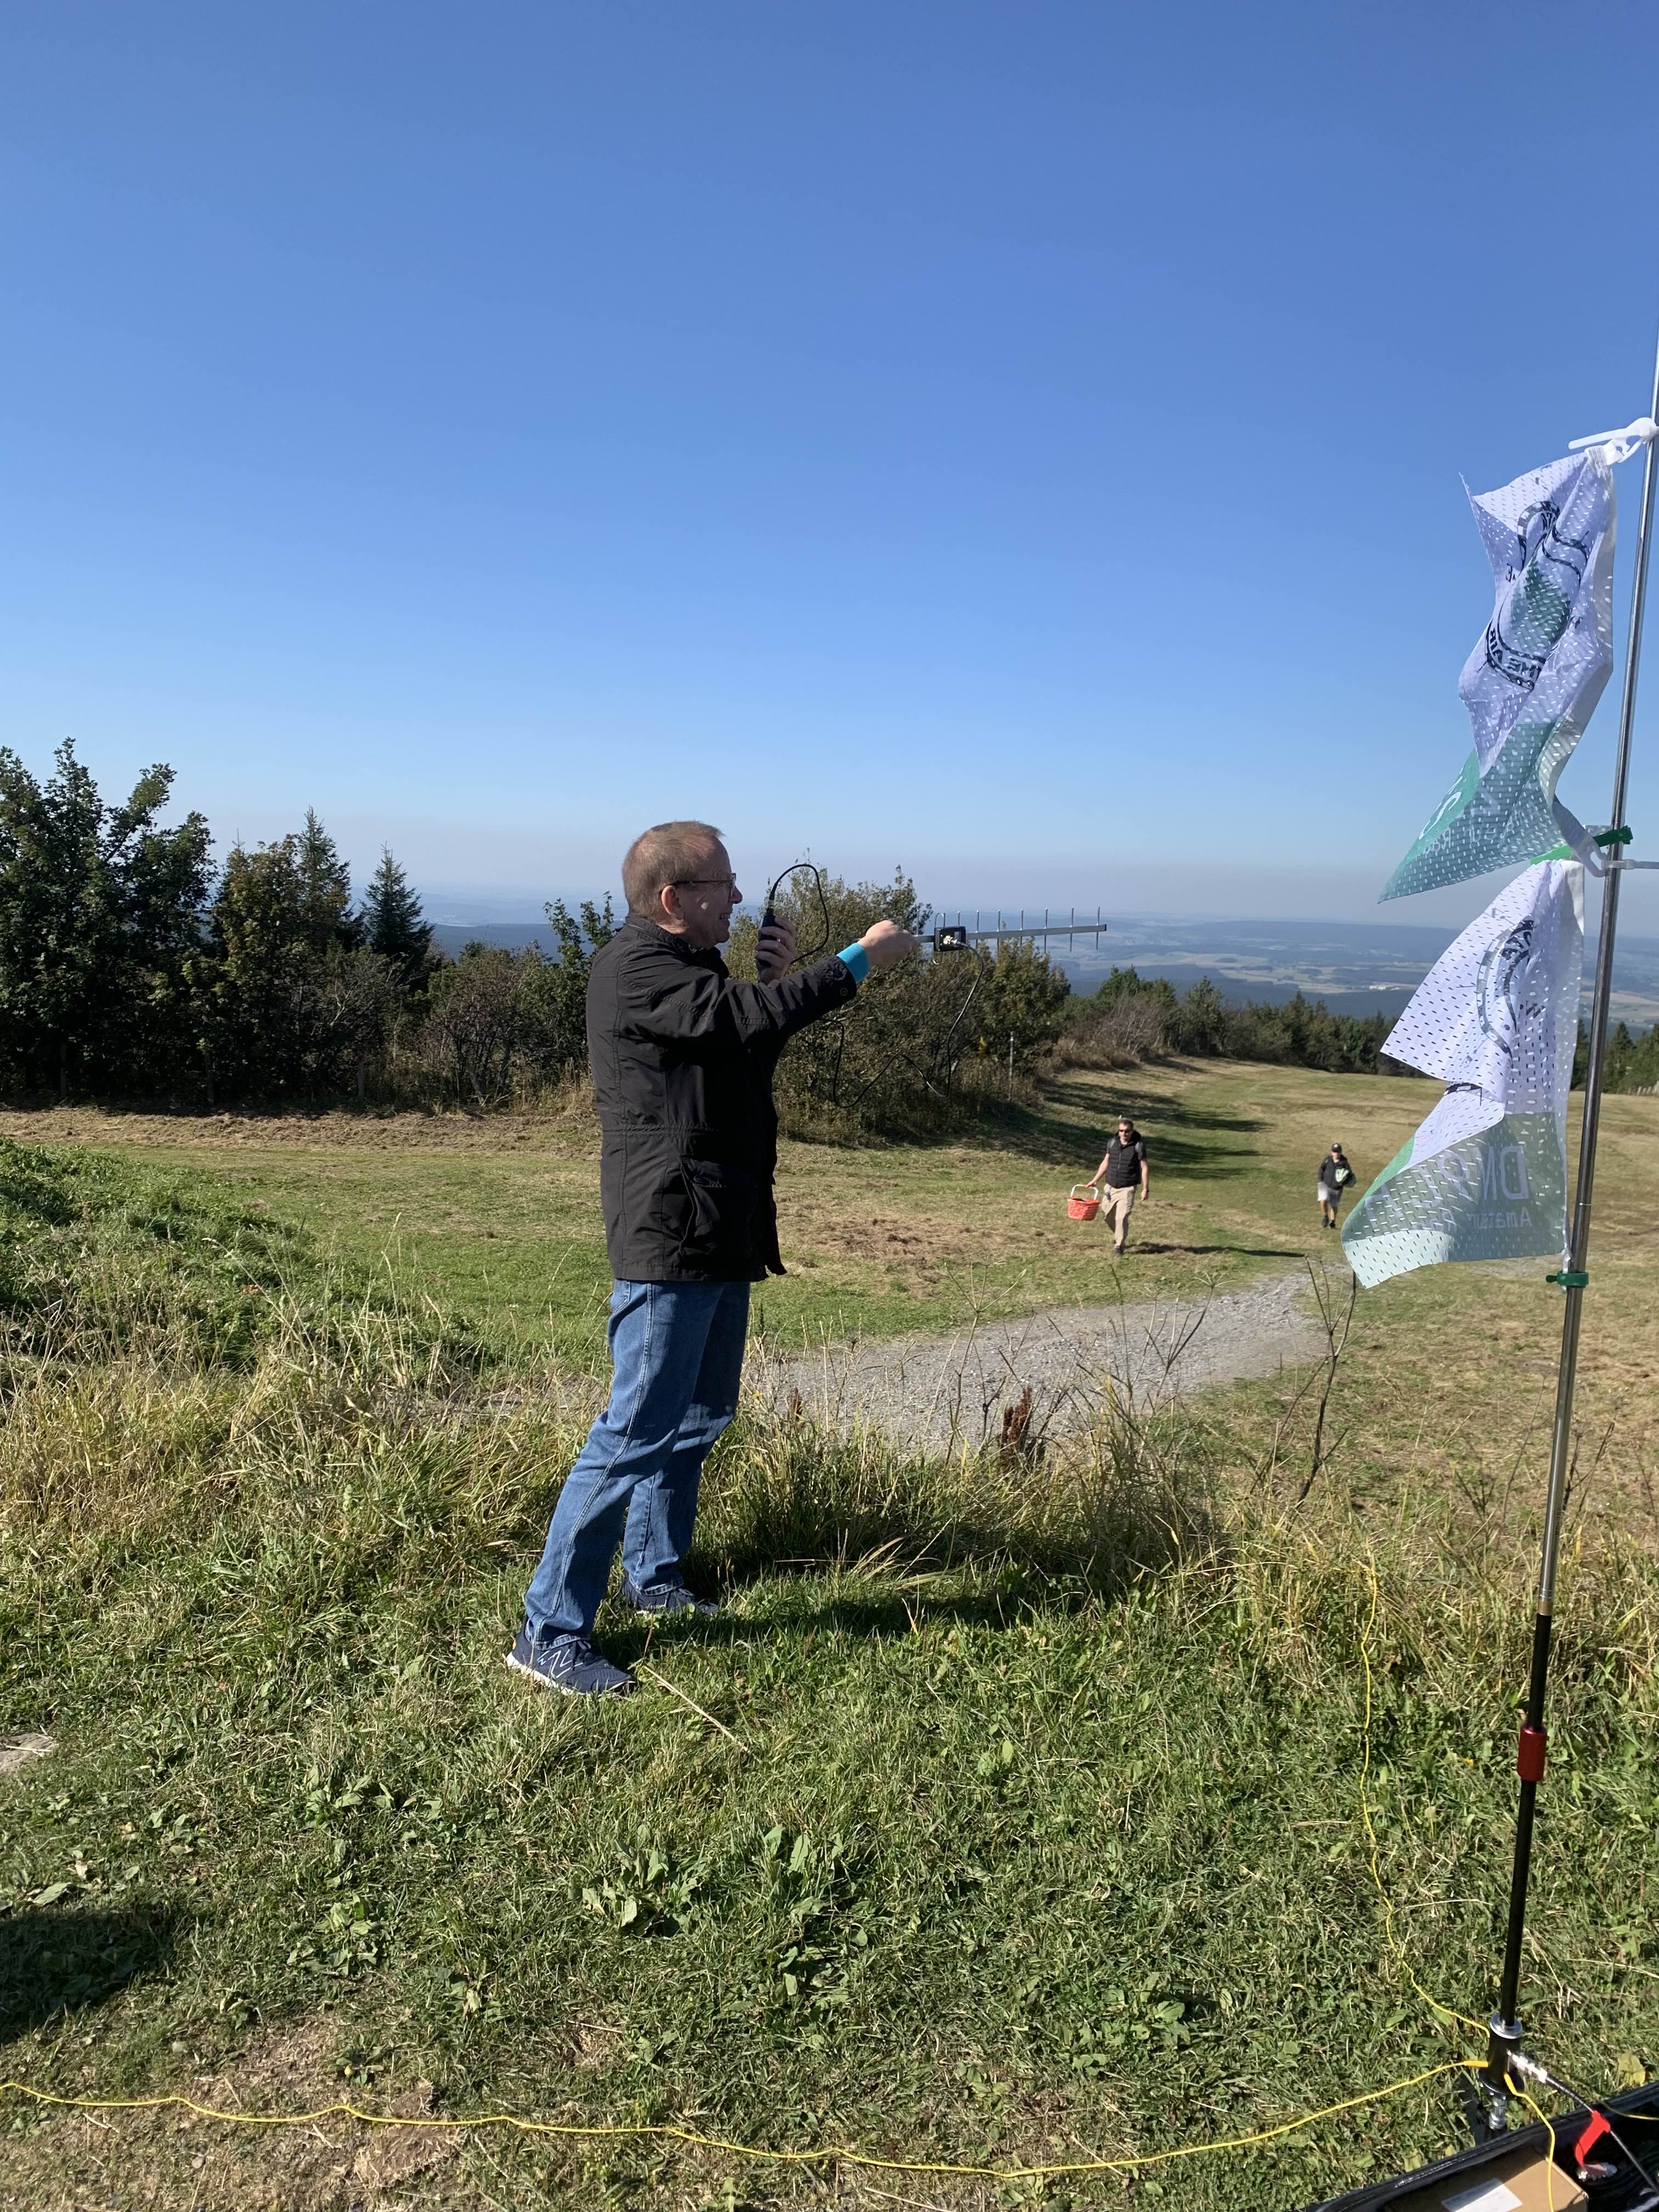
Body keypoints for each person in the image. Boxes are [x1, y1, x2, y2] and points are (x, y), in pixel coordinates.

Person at [510, 820, 917, 1697]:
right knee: (633, 1432)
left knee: (698, 1417)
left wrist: (772, 985)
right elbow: (741, 1021)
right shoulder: (637, 970)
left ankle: (654, 1577)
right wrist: (857, 961)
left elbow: (740, 1049)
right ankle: (549, 1630)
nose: (737, 897)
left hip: (716, 1226)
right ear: (673, 899)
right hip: (670, 1233)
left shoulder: (689, 973)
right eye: (721, 885)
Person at [1086, 1114, 1150, 1256]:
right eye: (1121, 1131)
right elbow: (1106, 1162)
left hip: (1128, 1188)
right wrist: (1095, 1180)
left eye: (1127, 1131)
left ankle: (1119, 1245)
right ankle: (1121, 1233)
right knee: (1107, 1216)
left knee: (1121, 1217)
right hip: (1110, 1187)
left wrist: (1145, 1189)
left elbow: (1144, 1167)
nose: (1124, 1134)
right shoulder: (1112, 1143)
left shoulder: (1138, 1146)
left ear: (1132, 1131)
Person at [1318, 1141, 1356, 1231]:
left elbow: (1349, 1174)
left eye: (1338, 1152)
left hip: (1337, 1188)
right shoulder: (1328, 1160)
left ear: (1341, 1152)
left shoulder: (1344, 1163)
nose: (1336, 1154)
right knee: (1323, 1200)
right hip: (1325, 1184)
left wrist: (1343, 1182)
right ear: (1332, 1152)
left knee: (1334, 1206)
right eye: (1335, 1152)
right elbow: (1321, 1169)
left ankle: (1332, 1222)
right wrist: (1320, 1181)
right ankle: (1325, 1217)